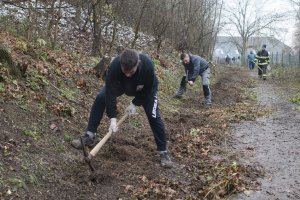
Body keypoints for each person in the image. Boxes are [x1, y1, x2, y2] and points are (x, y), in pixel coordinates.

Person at [71, 48, 173, 168]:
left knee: (153, 115)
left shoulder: (148, 66)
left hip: (144, 89)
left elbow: (148, 89)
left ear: (138, 63)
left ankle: (163, 152)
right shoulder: (114, 67)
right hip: (123, 86)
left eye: (131, 71)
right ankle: (89, 135)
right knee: (100, 97)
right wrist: (113, 118)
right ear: (121, 64)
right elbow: (109, 94)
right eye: (125, 71)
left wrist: (135, 103)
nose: (128, 74)